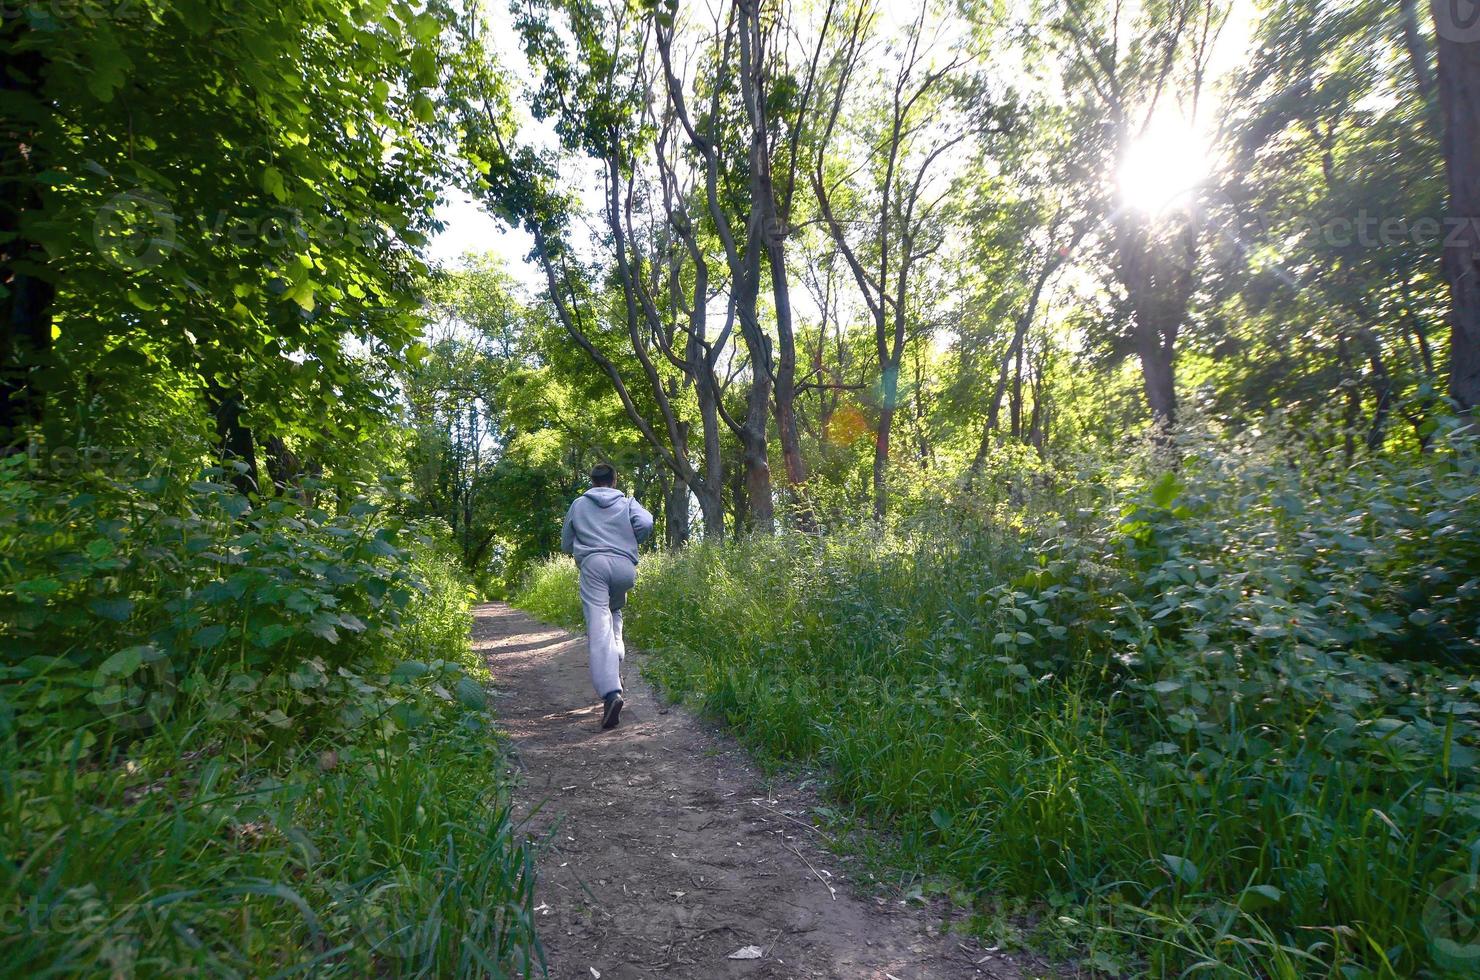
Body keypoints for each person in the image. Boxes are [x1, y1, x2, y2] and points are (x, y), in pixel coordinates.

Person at [560, 462, 654, 729]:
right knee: (614, 612)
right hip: (625, 568)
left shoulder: (579, 504)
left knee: (599, 625)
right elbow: (646, 522)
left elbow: (566, 543)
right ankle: (617, 660)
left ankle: (612, 693)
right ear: (615, 480)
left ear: (592, 482)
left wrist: (584, 543)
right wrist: (633, 538)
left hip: (595, 566)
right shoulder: (627, 503)